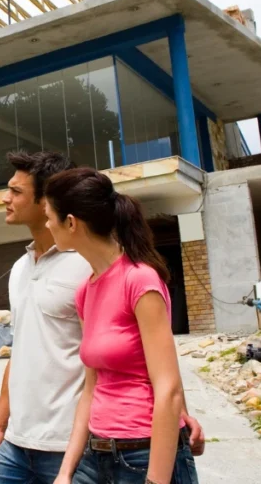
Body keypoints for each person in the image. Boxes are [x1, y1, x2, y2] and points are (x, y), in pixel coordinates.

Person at [0, 153, 203, 484]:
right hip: (50, 443)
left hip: (103, 445)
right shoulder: (43, 275)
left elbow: (159, 371)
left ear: (59, 214)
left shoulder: (117, 274)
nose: (5, 199)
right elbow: (30, 352)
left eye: (16, 191)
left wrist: (176, 417)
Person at [44, 168, 199, 484]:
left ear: (71, 222)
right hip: (98, 455)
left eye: (50, 217)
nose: (47, 224)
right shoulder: (85, 291)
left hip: (143, 456)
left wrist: (156, 480)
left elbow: (167, 386)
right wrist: (65, 472)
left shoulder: (140, 279)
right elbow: (91, 387)